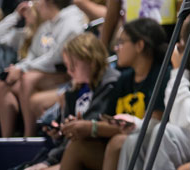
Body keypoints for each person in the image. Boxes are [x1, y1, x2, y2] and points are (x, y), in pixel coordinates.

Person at [116, 16, 190, 170]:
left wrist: (178, 71)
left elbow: (187, 119)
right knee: (133, 142)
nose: (178, 46)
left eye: (182, 40)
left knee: (165, 134)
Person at [59, 18, 169, 170]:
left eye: (121, 43)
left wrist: (92, 127)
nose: (116, 48)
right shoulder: (124, 79)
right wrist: (81, 126)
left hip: (150, 151)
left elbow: (152, 127)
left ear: (139, 45)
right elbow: (108, 119)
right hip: (119, 150)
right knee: (77, 145)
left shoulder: (162, 76)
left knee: (118, 142)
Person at [0, 0, 84, 137]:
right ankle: (6, 138)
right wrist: (18, 68)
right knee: (3, 81)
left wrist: (23, 68)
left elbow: (56, 56)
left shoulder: (71, 21)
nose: (37, 3)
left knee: (28, 79)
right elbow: (34, 53)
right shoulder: (47, 26)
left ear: (49, 0)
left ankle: (29, 136)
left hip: (67, 74)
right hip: (47, 72)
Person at [23, 33, 120, 170]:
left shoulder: (111, 84)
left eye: (73, 65)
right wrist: (60, 133)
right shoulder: (74, 91)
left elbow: (87, 128)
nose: (70, 71)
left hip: (99, 151)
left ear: (91, 60)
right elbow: (69, 138)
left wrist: (50, 163)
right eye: (67, 65)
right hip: (71, 152)